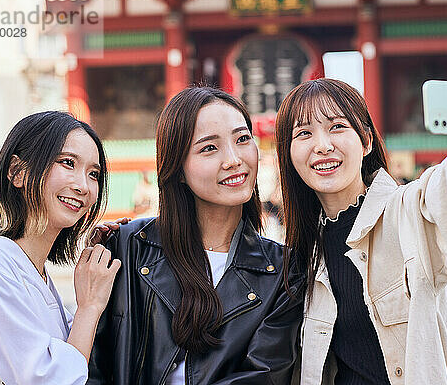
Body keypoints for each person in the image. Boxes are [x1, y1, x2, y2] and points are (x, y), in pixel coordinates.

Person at [274, 78, 447, 385]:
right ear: (289, 154)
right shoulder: (303, 251)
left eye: (337, 127)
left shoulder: (406, 213)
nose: (322, 145)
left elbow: (445, 193)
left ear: (366, 141)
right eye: (304, 133)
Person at [87, 86, 304, 385]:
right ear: (177, 168)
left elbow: (264, 376)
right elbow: (92, 366)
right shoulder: (128, 247)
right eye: (209, 148)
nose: (233, 159)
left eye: (242, 139)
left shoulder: (284, 270)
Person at [0, 112, 120, 384]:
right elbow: (49, 379)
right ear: (17, 172)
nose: (83, 186)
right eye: (67, 163)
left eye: (93, 174)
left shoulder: (37, 273)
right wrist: (88, 307)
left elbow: (76, 354)